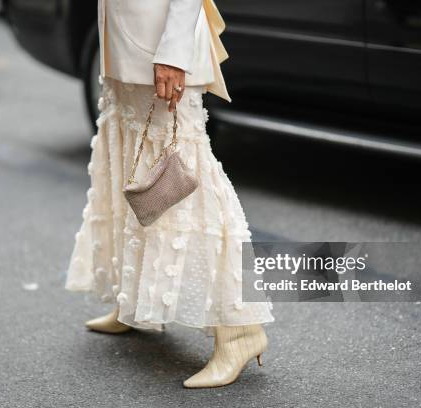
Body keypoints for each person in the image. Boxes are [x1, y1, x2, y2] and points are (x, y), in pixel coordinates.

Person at [65, 0, 274, 388]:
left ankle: (239, 330)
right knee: (131, 166)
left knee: (189, 183)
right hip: (122, 40)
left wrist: (174, 53)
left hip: (160, 45)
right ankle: (132, 298)